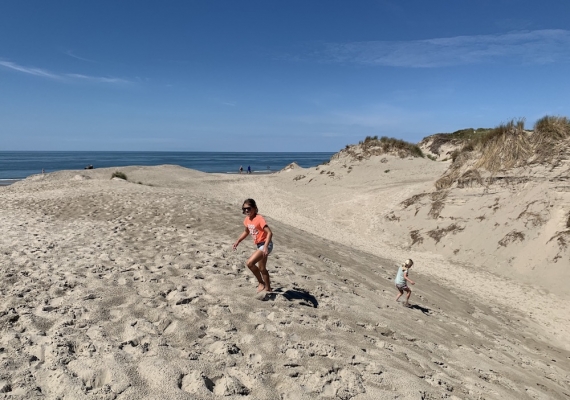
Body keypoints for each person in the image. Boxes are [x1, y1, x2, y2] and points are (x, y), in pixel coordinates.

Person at [233, 198, 273, 293]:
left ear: (255, 208)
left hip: (266, 244)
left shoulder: (259, 219)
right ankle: (268, 289)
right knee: (262, 268)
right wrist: (238, 241)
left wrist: (266, 246)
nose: (246, 210)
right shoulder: (247, 219)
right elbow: (246, 231)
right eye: (244, 209)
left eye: (249, 208)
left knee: (249, 263)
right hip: (259, 245)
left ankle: (261, 283)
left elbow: (270, 233)